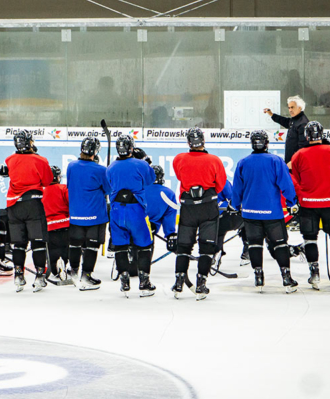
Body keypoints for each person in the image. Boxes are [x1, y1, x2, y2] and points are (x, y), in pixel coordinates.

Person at [230, 130, 299, 294]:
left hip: (250, 213)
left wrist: (235, 205)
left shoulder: (243, 163)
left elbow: (237, 190)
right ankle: (287, 277)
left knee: (254, 244)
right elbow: (286, 185)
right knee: (280, 244)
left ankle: (258, 277)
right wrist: (292, 202)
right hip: (272, 214)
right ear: (267, 143)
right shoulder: (275, 161)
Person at [290, 122, 330, 290]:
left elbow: (294, 176)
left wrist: (302, 192)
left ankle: (314, 274)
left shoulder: (298, 154)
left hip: (308, 204)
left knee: (309, 239)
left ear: (306, 136)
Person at [169, 127, 227, 301]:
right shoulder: (214, 160)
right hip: (208, 207)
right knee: (207, 247)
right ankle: (201, 282)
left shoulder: (179, 159)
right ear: (203, 141)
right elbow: (221, 184)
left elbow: (180, 176)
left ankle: (179, 281)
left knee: (184, 245)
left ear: (188, 142)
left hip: (188, 207)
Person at [107, 135, 157, 298]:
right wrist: (146, 161)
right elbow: (150, 180)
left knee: (120, 246)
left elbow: (109, 185)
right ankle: (144, 282)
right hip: (136, 210)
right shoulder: (140, 164)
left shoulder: (111, 167)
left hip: (116, 211)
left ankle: (124, 280)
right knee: (144, 246)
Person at [6, 130, 53, 292]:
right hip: (33, 204)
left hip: (14, 206)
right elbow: (47, 180)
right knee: (38, 242)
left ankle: (18, 275)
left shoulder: (10, 160)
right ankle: (40, 276)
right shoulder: (40, 160)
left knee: (19, 243)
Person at [66, 137, 110, 291]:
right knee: (92, 246)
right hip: (95, 216)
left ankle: (73, 271)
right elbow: (108, 190)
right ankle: (86, 275)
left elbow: (70, 185)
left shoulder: (71, 166)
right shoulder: (101, 170)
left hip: (76, 214)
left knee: (75, 244)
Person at [43, 165, 73, 286]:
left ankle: (55, 269)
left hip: (49, 227)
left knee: (53, 250)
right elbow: (71, 203)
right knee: (66, 248)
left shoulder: (42, 191)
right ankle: (65, 265)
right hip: (65, 224)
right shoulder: (64, 188)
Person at [264, 96, 309, 168]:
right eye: (289, 108)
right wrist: (272, 115)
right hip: (291, 162)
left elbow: (303, 147)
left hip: (296, 164)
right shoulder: (295, 119)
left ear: (299, 108)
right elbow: (285, 121)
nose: (290, 110)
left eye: (292, 107)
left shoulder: (302, 124)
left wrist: (294, 161)